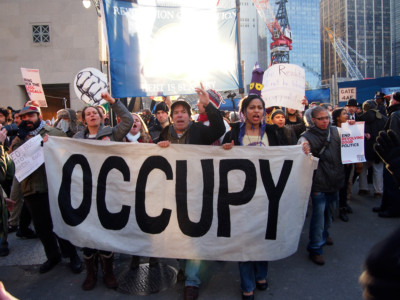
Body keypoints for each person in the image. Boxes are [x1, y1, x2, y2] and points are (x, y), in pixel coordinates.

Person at [221, 95, 310, 300]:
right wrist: (225, 150)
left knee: (264, 236)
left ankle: (261, 274)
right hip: (241, 197)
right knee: (244, 240)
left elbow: (289, 154)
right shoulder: (233, 132)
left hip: (268, 196)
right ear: (243, 112)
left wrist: (302, 150)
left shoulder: (274, 131)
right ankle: (247, 284)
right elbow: (220, 163)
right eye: (252, 107)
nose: (256, 111)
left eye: (260, 107)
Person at [157, 83, 225, 300]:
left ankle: (192, 281)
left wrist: (207, 104)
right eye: (175, 112)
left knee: (194, 235)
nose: (179, 116)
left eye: (183, 112)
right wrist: (160, 147)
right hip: (173, 193)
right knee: (178, 234)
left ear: (189, 115)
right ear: (171, 116)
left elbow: (219, 129)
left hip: (196, 191)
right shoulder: (165, 133)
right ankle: (184, 268)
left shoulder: (198, 131)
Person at [11, 103, 83, 274]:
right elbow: (15, 159)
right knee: (42, 228)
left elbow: (68, 154)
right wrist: (21, 139)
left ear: (39, 116)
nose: (27, 120)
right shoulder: (19, 137)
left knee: (61, 224)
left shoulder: (54, 133)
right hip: (32, 189)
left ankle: (72, 255)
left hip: (54, 186)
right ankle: (53, 256)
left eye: (30, 116)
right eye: (24, 117)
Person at [73, 92, 133, 290]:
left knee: (105, 230)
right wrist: (49, 143)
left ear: (101, 117)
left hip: (108, 192)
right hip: (85, 192)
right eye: (88, 113)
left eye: (95, 113)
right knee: (88, 233)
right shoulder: (75, 139)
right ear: (84, 120)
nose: (92, 115)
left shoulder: (112, 133)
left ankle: (109, 272)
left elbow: (128, 120)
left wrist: (112, 102)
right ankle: (91, 273)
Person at [299, 106, 344, 266]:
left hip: (335, 180)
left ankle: (325, 234)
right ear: (312, 120)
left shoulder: (336, 131)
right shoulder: (305, 138)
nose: (325, 121)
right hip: (318, 183)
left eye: (327, 117)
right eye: (321, 118)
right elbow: (302, 160)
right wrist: (304, 151)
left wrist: (354, 128)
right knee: (318, 216)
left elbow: (353, 141)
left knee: (330, 213)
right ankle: (315, 247)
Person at [373, 92, 400, 218]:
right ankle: (385, 205)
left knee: (391, 182)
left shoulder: (395, 114)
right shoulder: (393, 113)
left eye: (391, 99)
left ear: (395, 101)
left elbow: (392, 134)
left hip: (394, 153)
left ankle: (391, 209)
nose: (389, 101)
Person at [357, 100, 387, 200]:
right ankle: (378, 191)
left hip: (363, 148)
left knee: (362, 169)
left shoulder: (360, 118)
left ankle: (363, 188)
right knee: (378, 170)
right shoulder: (383, 119)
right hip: (378, 148)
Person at [331, 108, 352, 222]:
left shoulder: (350, 127)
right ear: (337, 117)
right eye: (344, 114)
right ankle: (333, 209)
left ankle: (343, 207)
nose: (347, 115)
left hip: (347, 162)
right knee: (336, 186)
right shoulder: (332, 130)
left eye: (347, 113)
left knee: (345, 185)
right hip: (335, 162)